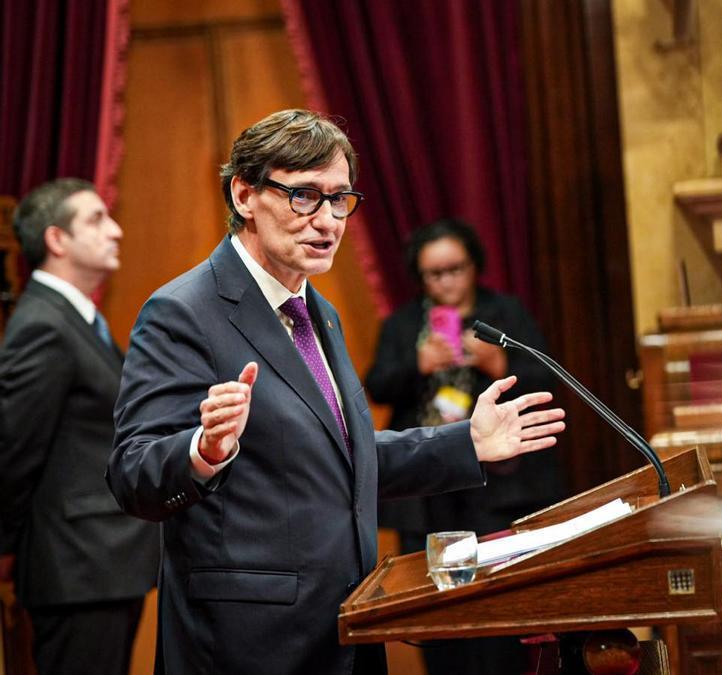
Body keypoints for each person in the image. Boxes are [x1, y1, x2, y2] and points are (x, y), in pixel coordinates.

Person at [106, 109, 565, 675]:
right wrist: (202, 451)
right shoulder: (183, 312)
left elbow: (343, 460)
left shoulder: (316, 311)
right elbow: (131, 475)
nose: (327, 220)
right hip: (249, 643)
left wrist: (466, 443)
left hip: (348, 625)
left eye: (340, 198)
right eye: (304, 196)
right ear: (244, 194)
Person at [365, 219, 564, 674]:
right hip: (429, 494)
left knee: (504, 618)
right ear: (420, 277)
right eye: (435, 273)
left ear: (474, 267)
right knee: (441, 622)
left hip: (502, 490)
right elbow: (376, 386)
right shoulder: (403, 323)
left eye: (456, 269)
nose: (447, 281)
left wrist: (501, 363)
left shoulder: (505, 313)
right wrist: (418, 365)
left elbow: (547, 381)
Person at [0, 178, 158, 675]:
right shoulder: (42, 324)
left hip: (102, 564)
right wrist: (6, 551)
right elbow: (12, 450)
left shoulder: (75, 317)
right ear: (56, 240)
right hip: (76, 567)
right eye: (96, 219)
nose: (116, 231)